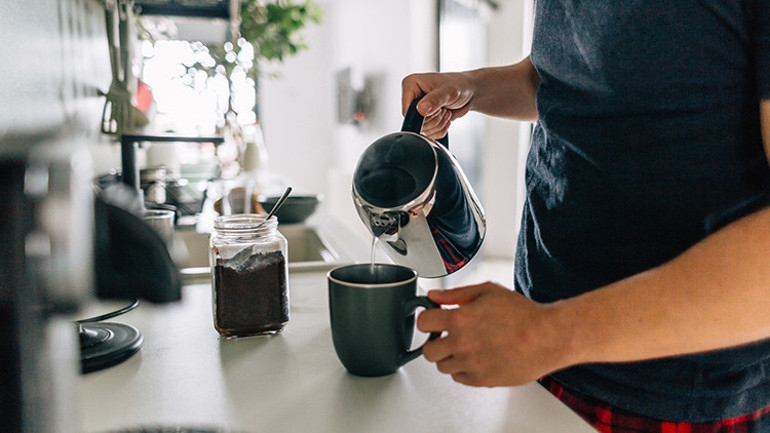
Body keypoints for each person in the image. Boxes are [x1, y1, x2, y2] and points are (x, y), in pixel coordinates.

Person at [402, 1, 770, 431]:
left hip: (672, 396)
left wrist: (549, 334)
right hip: (544, 349)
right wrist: (472, 87)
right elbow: (559, 76)